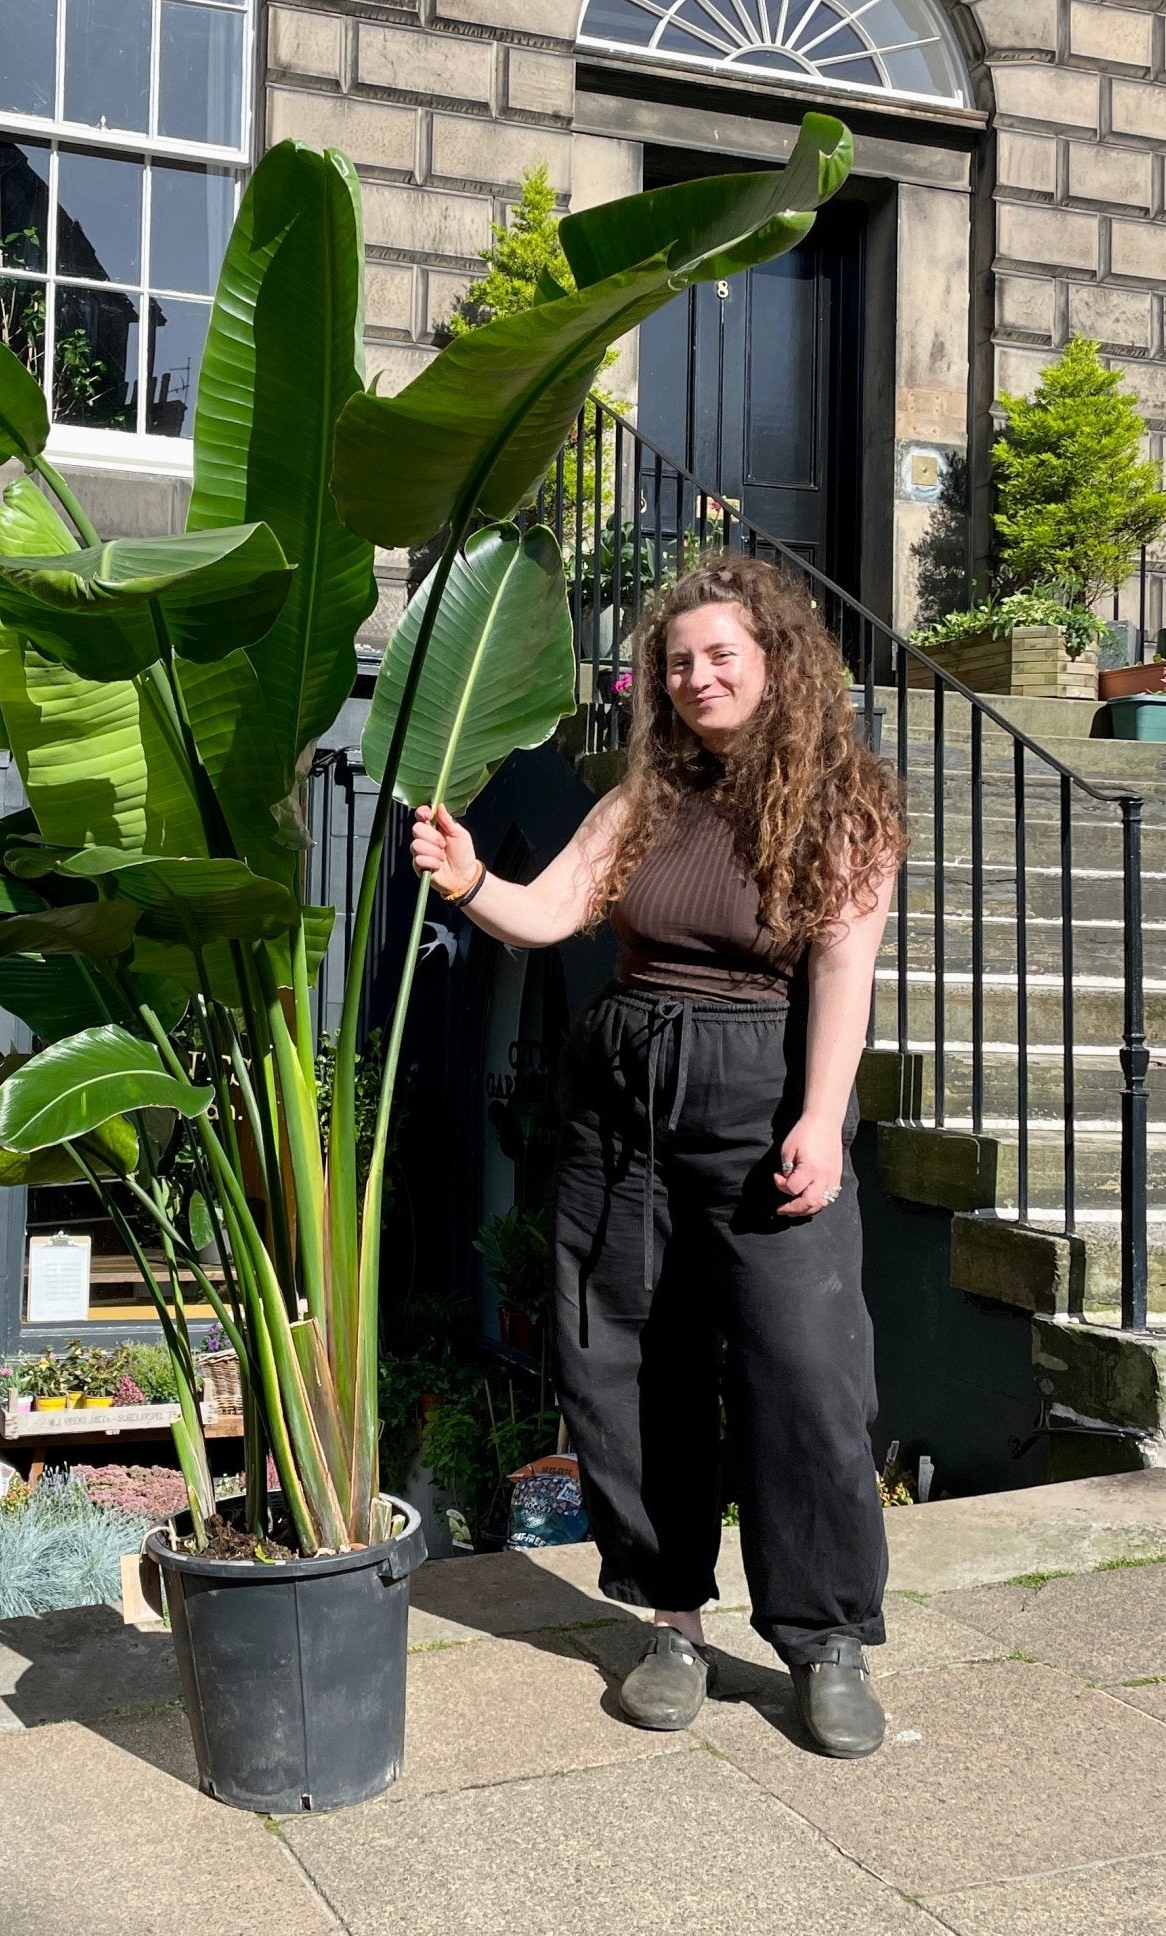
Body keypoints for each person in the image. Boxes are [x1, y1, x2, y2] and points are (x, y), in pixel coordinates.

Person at [409, 551, 906, 1759]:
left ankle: (822, 1638)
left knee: (804, 1372)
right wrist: (471, 876)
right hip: (621, 1094)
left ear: (775, 660)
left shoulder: (842, 802)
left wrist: (818, 1117)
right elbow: (548, 909)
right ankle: (673, 1621)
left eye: (719, 654)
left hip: (758, 1094)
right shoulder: (642, 798)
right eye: (676, 661)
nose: (695, 677)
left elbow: (843, 968)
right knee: (625, 1360)